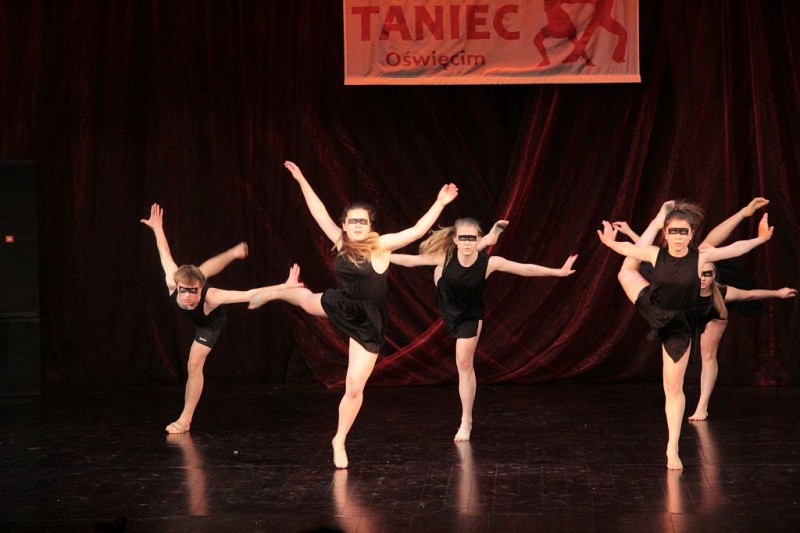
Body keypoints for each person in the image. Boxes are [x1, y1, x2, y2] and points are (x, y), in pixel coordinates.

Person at [248, 161, 459, 468]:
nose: (357, 225)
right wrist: (301, 179)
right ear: (345, 225)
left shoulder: (381, 246)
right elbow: (319, 212)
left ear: (370, 226)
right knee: (306, 301)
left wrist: (440, 202)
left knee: (354, 387)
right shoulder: (340, 241)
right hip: (342, 302)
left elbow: (416, 230)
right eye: (352, 221)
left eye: (363, 221)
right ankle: (281, 290)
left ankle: (339, 439)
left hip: (367, 320)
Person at [597, 200, 773, 469]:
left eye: (684, 232)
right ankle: (657, 220)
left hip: (678, 324)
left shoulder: (699, 257)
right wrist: (610, 243)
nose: (678, 237)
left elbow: (734, 248)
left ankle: (672, 447)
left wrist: (760, 240)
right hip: (653, 305)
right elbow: (628, 249)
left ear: (691, 235)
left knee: (673, 388)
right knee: (625, 271)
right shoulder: (655, 253)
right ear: (666, 234)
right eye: (673, 231)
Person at [390, 218, 578, 441]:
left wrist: (557, 272)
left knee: (463, 363)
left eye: (472, 238)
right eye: (463, 238)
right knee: (441, 270)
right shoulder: (446, 256)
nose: (467, 241)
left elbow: (524, 268)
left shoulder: (489, 263)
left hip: (470, 314)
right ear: (455, 239)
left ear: (477, 239)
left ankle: (466, 420)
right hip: (447, 296)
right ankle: (490, 238)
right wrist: (379, 255)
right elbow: (410, 261)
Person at [141, 203, 302, 434]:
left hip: (210, 321)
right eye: (183, 290)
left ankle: (185, 419)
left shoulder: (213, 297)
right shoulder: (173, 281)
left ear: (201, 287)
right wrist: (157, 228)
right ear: (177, 285)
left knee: (194, 363)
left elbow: (248, 293)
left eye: (193, 291)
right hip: (195, 284)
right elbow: (165, 254)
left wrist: (284, 286)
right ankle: (233, 253)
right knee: (201, 269)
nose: (187, 297)